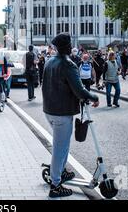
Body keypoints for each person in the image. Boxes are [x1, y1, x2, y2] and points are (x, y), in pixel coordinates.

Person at [42, 33, 99, 198]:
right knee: (60, 148)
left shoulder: (49, 62)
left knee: (63, 144)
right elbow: (80, 90)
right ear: (67, 47)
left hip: (49, 110)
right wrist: (94, 97)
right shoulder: (68, 65)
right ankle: (55, 185)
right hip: (62, 113)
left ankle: (62, 172)